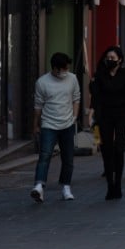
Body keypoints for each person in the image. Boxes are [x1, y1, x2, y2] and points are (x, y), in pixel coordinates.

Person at [87, 46, 125, 201]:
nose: (109, 60)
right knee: (106, 149)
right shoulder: (100, 75)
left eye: (113, 58)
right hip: (105, 115)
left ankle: (118, 184)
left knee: (119, 149)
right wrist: (91, 115)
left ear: (120, 60)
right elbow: (95, 97)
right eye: (107, 58)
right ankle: (110, 184)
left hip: (122, 115)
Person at [30, 52, 80, 203]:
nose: (66, 71)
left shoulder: (73, 78)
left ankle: (66, 187)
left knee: (68, 158)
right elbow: (38, 106)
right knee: (44, 155)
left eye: (67, 68)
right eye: (63, 68)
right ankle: (39, 186)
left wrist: (74, 117)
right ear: (56, 68)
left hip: (67, 124)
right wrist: (35, 125)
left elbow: (76, 98)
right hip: (48, 124)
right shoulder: (42, 82)